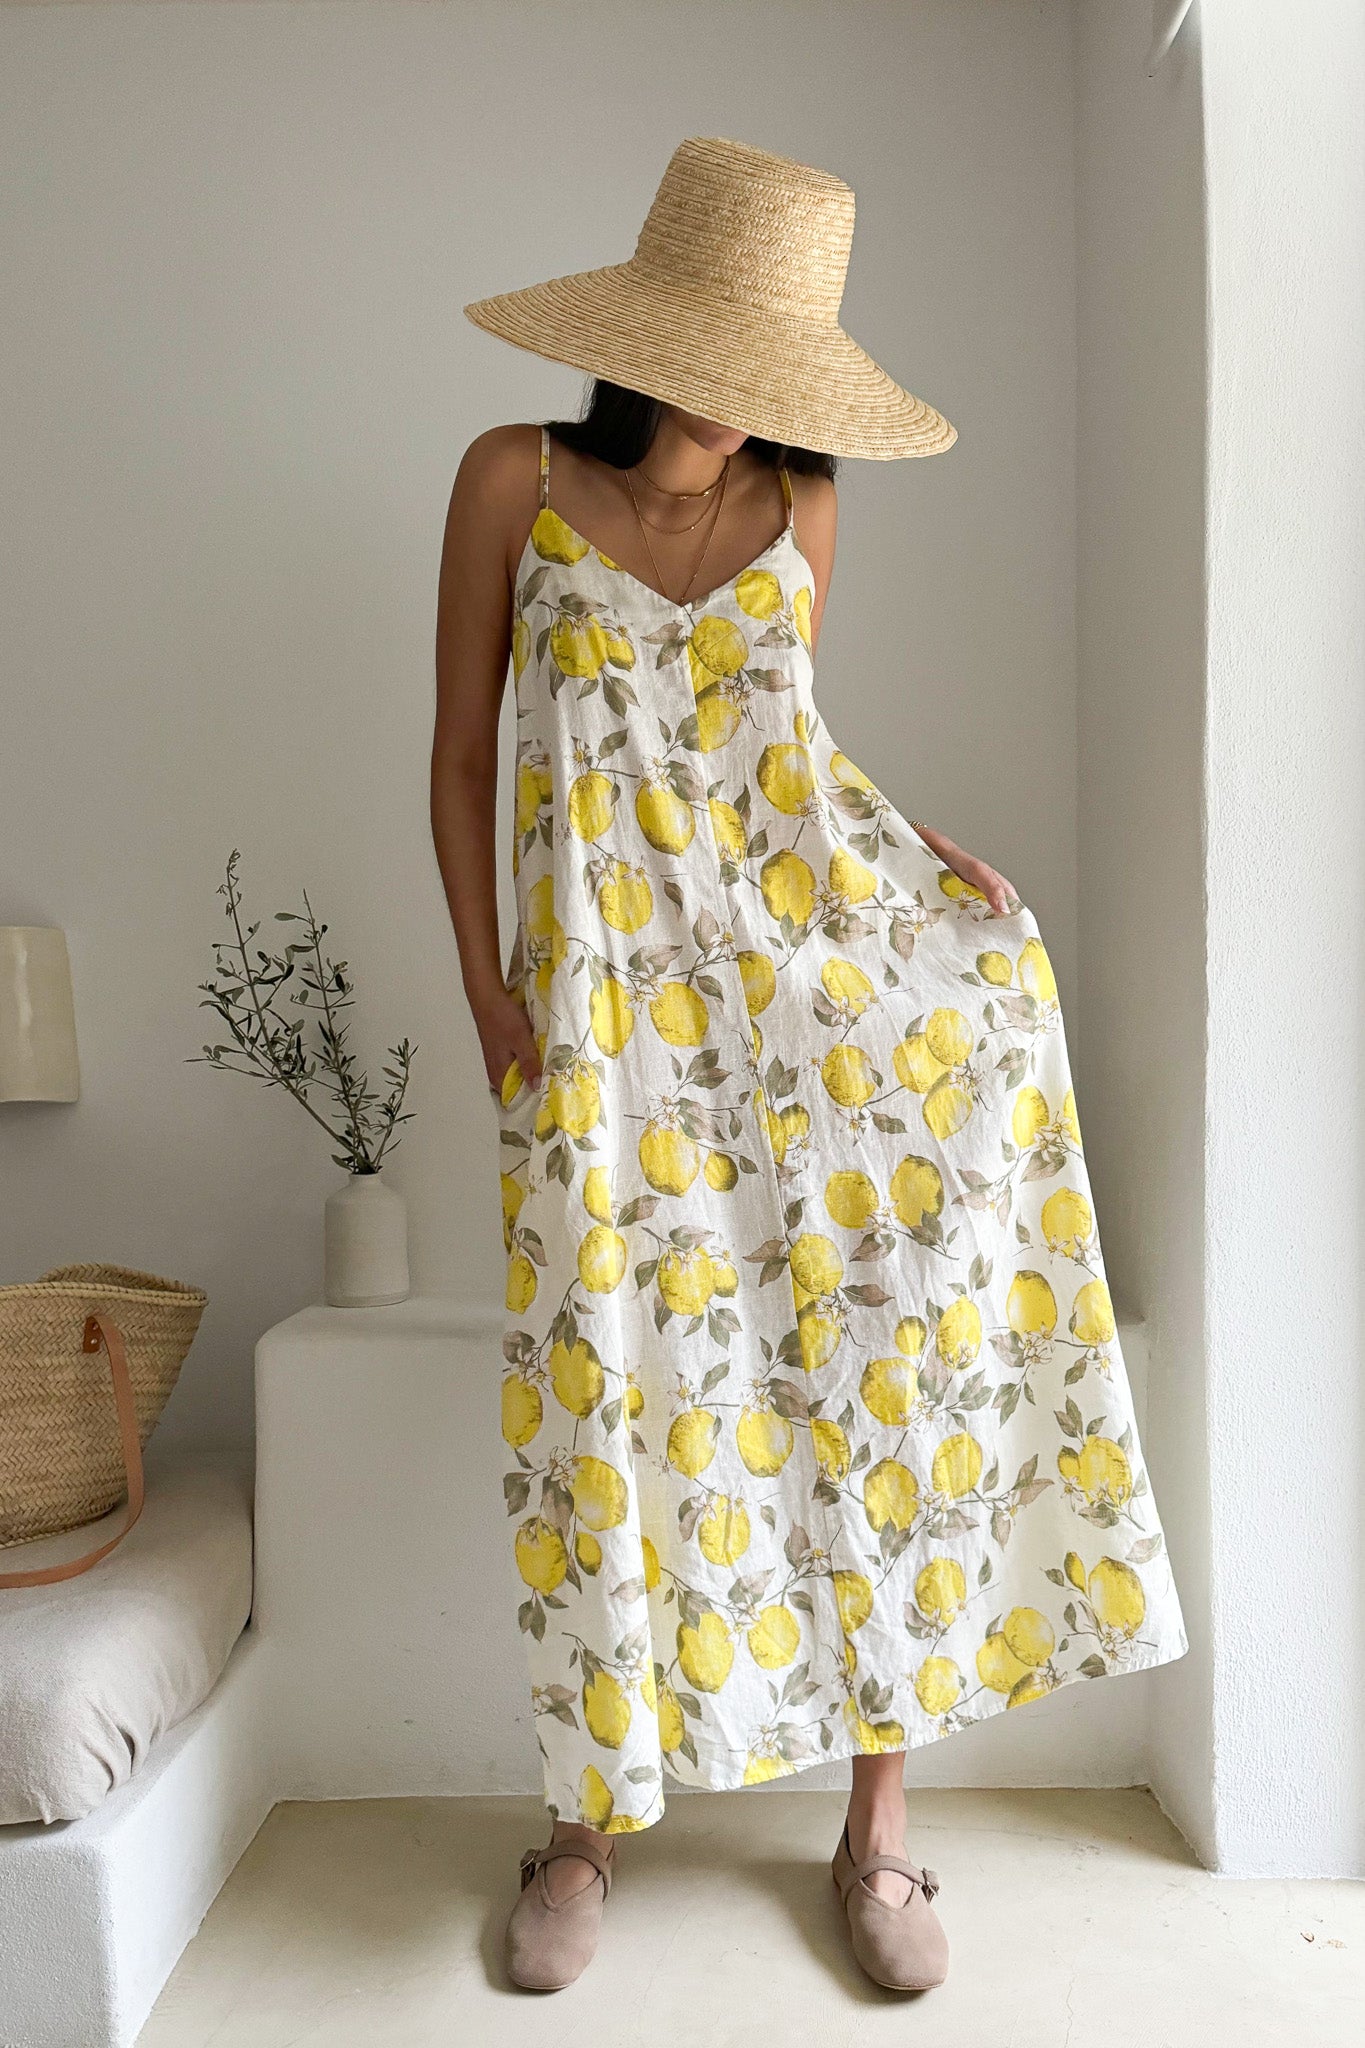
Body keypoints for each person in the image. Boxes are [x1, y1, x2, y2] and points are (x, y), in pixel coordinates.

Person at [431, 135, 1187, 1996]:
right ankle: (582, 1825)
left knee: (874, 1358)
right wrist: (491, 994)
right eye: (712, 356)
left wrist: (921, 859)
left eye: (767, 369)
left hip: (801, 1003)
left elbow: (781, 765)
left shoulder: (805, 501)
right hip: (604, 1021)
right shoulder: (513, 479)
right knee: (606, 1385)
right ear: (643, 335)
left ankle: (879, 1829)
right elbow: (458, 756)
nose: (732, 401)